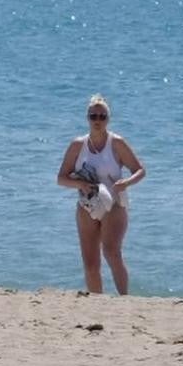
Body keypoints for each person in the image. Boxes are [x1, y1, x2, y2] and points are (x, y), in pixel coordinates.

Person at [56, 94, 146, 295]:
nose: (97, 121)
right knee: (90, 261)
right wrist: (79, 183)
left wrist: (126, 183)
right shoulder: (77, 145)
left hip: (114, 203)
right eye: (93, 116)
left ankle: (125, 297)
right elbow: (61, 178)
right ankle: (97, 301)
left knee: (111, 252)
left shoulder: (117, 143)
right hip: (87, 204)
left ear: (108, 119)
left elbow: (140, 170)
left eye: (102, 117)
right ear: (87, 118)